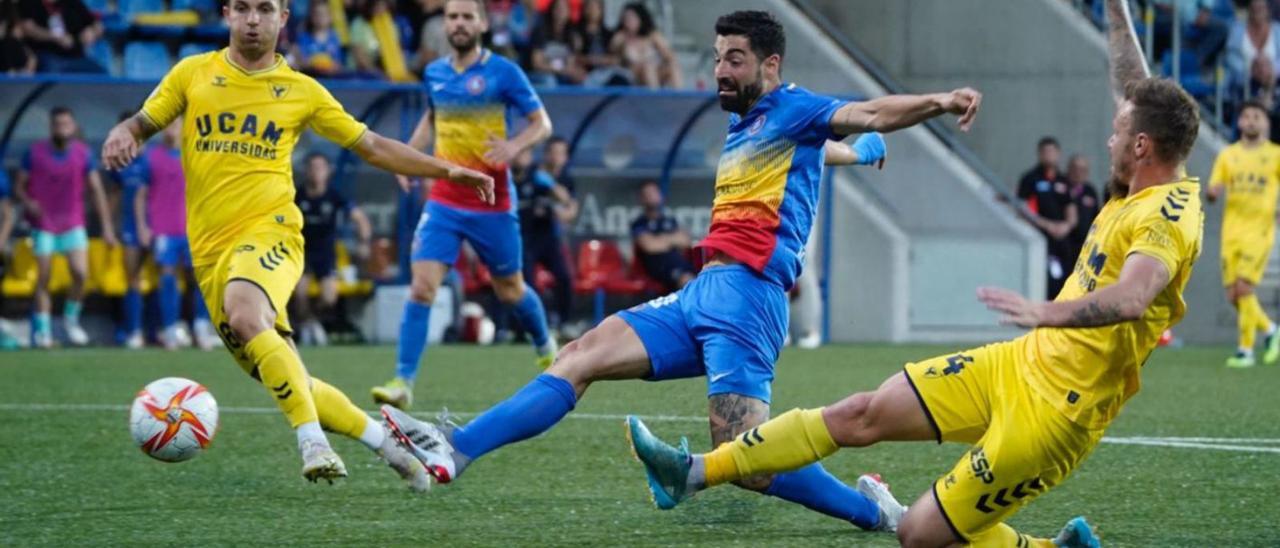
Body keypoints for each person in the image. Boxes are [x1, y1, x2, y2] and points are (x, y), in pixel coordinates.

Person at [628, 2, 1200, 546]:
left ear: (1143, 146)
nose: (1110, 136)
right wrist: (1117, 10)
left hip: (1057, 413)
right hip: (1018, 364)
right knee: (861, 412)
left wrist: (1045, 311)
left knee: (918, 535)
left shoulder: (1167, 218)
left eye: (1119, 131)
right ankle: (694, 473)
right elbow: (1135, 91)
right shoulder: (1148, 169)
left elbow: (1132, 297)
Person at [381, 10, 962, 533]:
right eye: (716, 59)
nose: (720, 71)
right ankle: (456, 450)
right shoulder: (754, 121)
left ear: (771, 62)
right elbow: (815, 151)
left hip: (750, 299)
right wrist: (858, 153)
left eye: (734, 59)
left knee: (743, 459)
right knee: (578, 354)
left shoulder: (798, 106)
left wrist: (937, 102)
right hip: (703, 292)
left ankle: (876, 511)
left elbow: (870, 113)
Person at [100, 0, 494, 488]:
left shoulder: (303, 92)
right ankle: (392, 446)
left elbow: (371, 145)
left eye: (265, 9)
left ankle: (312, 442)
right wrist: (124, 131)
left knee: (245, 313)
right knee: (288, 379)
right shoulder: (192, 74)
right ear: (226, 13)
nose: (252, 20)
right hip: (210, 254)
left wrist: (447, 169)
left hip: (272, 230)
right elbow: (142, 123)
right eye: (242, 8)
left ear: (283, 19)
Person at [371, 0, 555, 411]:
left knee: (510, 290)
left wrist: (514, 145)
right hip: (444, 200)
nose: (458, 23)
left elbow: (543, 124)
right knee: (422, 287)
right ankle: (403, 380)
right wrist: (408, 157)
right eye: (452, 17)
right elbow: (433, 119)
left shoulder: (503, 71)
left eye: (467, 16)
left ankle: (546, 348)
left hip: (492, 199)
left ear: (482, 24)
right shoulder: (435, 72)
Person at [15, 106, 116, 348]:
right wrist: (29, 202)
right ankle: (44, 331)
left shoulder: (83, 154)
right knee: (44, 277)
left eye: (66, 124)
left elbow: (96, 191)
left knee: (81, 274)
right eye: (58, 124)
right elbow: (19, 185)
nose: (62, 128)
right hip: (44, 224)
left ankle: (71, 319)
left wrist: (107, 227)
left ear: (73, 127)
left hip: (72, 222)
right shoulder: (35, 153)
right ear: (51, 127)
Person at [1207, 100, 1280, 368]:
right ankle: (1271, 330)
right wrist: (1213, 192)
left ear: (1266, 123)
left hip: (1259, 232)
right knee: (1234, 296)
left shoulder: (1275, 154)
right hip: (1231, 232)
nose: (1251, 121)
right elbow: (1214, 186)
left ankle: (1245, 351)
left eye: (1257, 116)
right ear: (1239, 122)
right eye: (1246, 116)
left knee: (1244, 288)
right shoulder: (1228, 155)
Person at [135, 120, 218, 351]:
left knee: (200, 277)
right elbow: (140, 195)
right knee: (167, 275)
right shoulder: (151, 157)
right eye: (168, 125)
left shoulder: (197, 154)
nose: (172, 129)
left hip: (194, 229)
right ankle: (170, 329)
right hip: (164, 228)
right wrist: (143, 226)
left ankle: (201, 327)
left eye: (176, 125)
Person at [293, 153, 372, 346]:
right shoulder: (297, 195)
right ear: (306, 170)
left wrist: (363, 243)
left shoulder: (335, 195)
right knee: (299, 293)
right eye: (313, 168)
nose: (316, 172)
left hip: (326, 253)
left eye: (321, 168)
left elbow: (360, 219)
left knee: (329, 298)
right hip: (301, 252)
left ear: (328, 172)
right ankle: (305, 324)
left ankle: (314, 321)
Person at [516, 137, 577, 333]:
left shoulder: (565, 180)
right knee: (528, 284)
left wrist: (552, 191)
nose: (556, 157)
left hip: (549, 238)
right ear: (546, 154)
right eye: (553, 152)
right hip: (527, 238)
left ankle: (565, 323)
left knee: (565, 277)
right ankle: (529, 327)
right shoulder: (532, 173)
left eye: (561, 153)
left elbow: (569, 208)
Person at [110, 111, 151, 350]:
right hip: (130, 228)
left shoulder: (154, 158)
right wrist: (109, 227)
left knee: (168, 277)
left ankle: (166, 328)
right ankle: (134, 330)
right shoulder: (120, 162)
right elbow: (114, 194)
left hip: (160, 226)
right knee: (132, 278)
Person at [1017, 136, 1077, 299]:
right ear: (1039, 154)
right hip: (1041, 239)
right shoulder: (1030, 179)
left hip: (1062, 240)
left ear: (1058, 154)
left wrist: (1066, 226)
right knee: (1045, 282)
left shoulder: (1064, 180)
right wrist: (1048, 226)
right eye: (1045, 152)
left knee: (1065, 280)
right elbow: (1024, 211)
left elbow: (1071, 210)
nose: (1049, 155)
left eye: (1052, 151)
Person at [630, 181, 695, 292]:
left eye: (654, 193)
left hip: (681, 265)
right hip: (659, 269)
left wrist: (661, 239)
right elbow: (650, 246)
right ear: (642, 199)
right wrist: (672, 240)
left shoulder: (670, 220)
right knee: (687, 281)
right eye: (648, 194)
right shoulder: (640, 223)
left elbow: (686, 241)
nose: (652, 197)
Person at [17, 0, 106, 73]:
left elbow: (98, 25)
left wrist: (93, 32)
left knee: (101, 73)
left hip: (77, 56)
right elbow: (28, 28)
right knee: (54, 73)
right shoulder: (29, 3)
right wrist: (55, 37)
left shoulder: (72, 2)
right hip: (47, 55)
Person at [609, 2, 680, 88]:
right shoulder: (620, 38)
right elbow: (612, 59)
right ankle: (654, 98)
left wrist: (668, 61)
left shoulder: (653, 36)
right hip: (634, 76)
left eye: (631, 18)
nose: (628, 22)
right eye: (625, 19)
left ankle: (679, 97)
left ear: (640, 18)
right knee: (648, 68)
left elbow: (669, 55)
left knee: (673, 67)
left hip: (656, 71)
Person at [1226, 0, 1280, 108]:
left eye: (1261, 8)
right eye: (1254, 8)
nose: (1257, 11)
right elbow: (1230, 57)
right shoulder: (1237, 29)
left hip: (1274, 79)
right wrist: (1251, 69)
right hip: (1245, 81)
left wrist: (1269, 69)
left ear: (1267, 10)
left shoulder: (1277, 29)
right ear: (1249, 10)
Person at [529, 0, 584, 85]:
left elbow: (570, 62)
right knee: (550, 80)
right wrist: (562, 70)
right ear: (552, 10)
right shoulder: (540, 31)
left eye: (564, 9)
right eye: (558, 8)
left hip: (561, 73)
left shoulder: (571, 34)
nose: (561, 12)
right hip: (541, 74)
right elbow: (537, 64)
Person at [1065, 154, 1101, 271]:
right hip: (1064, 245)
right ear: (1069, 169)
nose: (1078, 173)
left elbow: (1097, 217)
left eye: (1082, 169)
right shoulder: (1061, 187)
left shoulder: (1090, 191)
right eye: (1075, 168)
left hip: (1084, 246)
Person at [291, 1, 346, 77]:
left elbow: (338, 63)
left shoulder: (334, 38)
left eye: (324, 14)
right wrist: (314, 63)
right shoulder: (304, 37)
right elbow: (301, 61)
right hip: (309, 77)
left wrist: (328, 66)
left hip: (331, 79)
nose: (320, 18)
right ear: (311, 17)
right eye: (317, 14)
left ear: (330, 17)